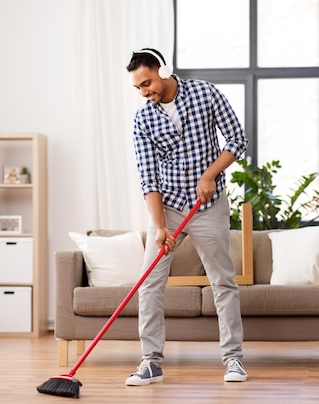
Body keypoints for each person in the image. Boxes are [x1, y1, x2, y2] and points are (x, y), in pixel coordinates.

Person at [125, 48, 249, 386]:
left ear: (163, 71)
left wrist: (210, 175)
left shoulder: (205, 93)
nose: (144, 92)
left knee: (222, 281)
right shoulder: (143, 119)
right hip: (168, 207)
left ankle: (233, 360)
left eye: (147, 83)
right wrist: (161, 228)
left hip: (208, 206)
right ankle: (150, 362)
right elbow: (148, 177)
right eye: (138, 88)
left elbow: (238, 140)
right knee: (149, 283)